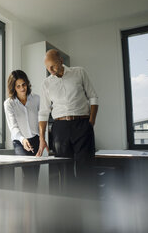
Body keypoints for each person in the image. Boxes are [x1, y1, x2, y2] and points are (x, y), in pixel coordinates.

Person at [36, 49, 98, 193]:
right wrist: (41, 138)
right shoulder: (46, 83)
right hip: (60, 128)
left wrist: (91, 123)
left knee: (86, 167)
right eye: (47, 68)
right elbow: (43, 112)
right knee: (64, 169)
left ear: (61, 61)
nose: (50, 70)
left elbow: (93, 97)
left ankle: (88, 203)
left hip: (82, 124)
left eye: (53, 66)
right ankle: (69, 207)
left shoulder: (79, 72)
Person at [4, 70, 40, 191]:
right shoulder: (9, 104)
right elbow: (13, 126)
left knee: (35, 176)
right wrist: (22, 139)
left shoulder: (36, 99)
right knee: (29, 175)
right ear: (13, 87)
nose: (22, 88)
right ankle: (27, 207)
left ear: (27, 83)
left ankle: (32, 205)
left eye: (23, 84)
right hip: (20, 142)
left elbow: (42, 120)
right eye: (18, 86)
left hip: (36, 140)